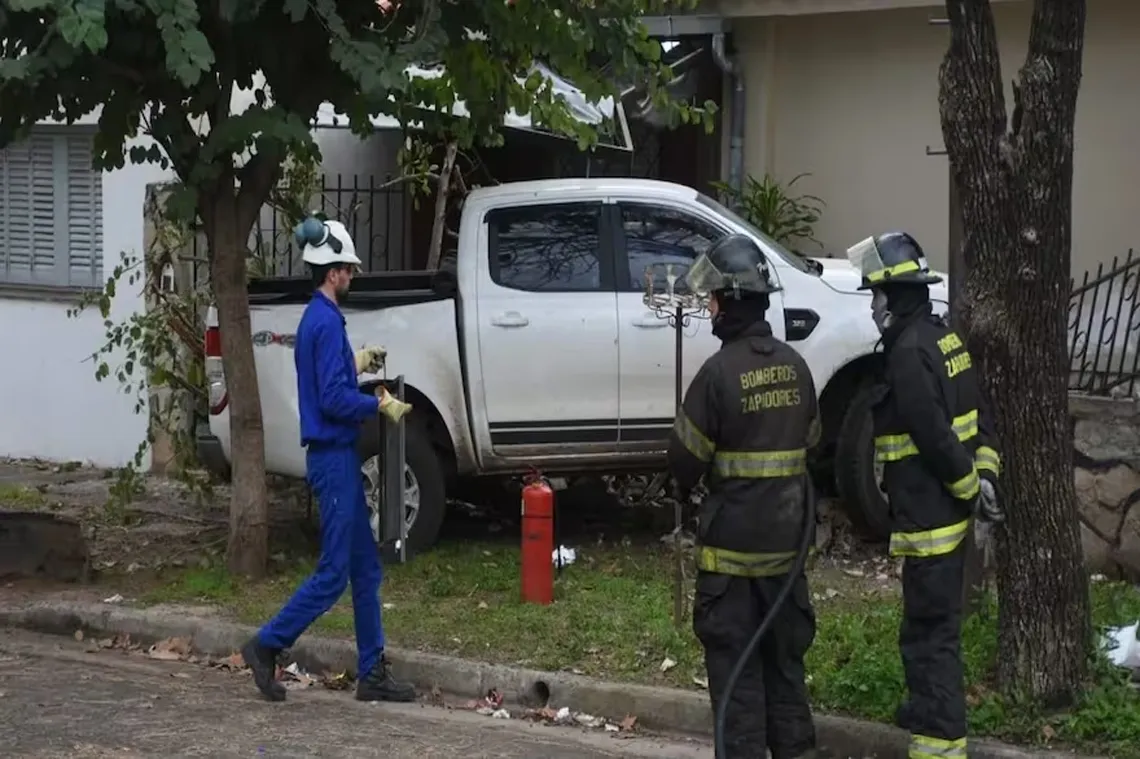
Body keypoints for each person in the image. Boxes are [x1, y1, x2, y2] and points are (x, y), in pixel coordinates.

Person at [241, 215, 416, 704]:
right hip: (333, 458)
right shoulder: (322, 321)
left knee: (365, 570)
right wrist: (378, 404)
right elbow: (336, 399)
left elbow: (327, 378)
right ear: (332, 271)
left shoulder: (319, 318)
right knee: (334, 572)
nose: (353, 275)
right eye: (348, 268)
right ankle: (267, 643)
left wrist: (357, 361)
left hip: (335, 456)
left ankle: (372, 673)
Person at [845, 232, 1004, 759]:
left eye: (876, 295)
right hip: (946, 520)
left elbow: (934, 437)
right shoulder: (945, 339)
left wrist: (963, 490)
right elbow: (978, 422)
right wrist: (982, 480)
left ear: (897, 295)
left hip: (932, 523)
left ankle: (939, 744)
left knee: (930, 639)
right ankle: (924, 711)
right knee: (924, 629)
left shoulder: (909, 354)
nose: (873, 307)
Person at [668, 234, 821, 759]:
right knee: (785, 677)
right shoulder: (797, 368)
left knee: (738, 688)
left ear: (730, 301)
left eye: (713, 299)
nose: (709, 308)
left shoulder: (716, 375)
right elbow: (812, 444)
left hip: (730, 569)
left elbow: (684, 464)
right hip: (786, 561)